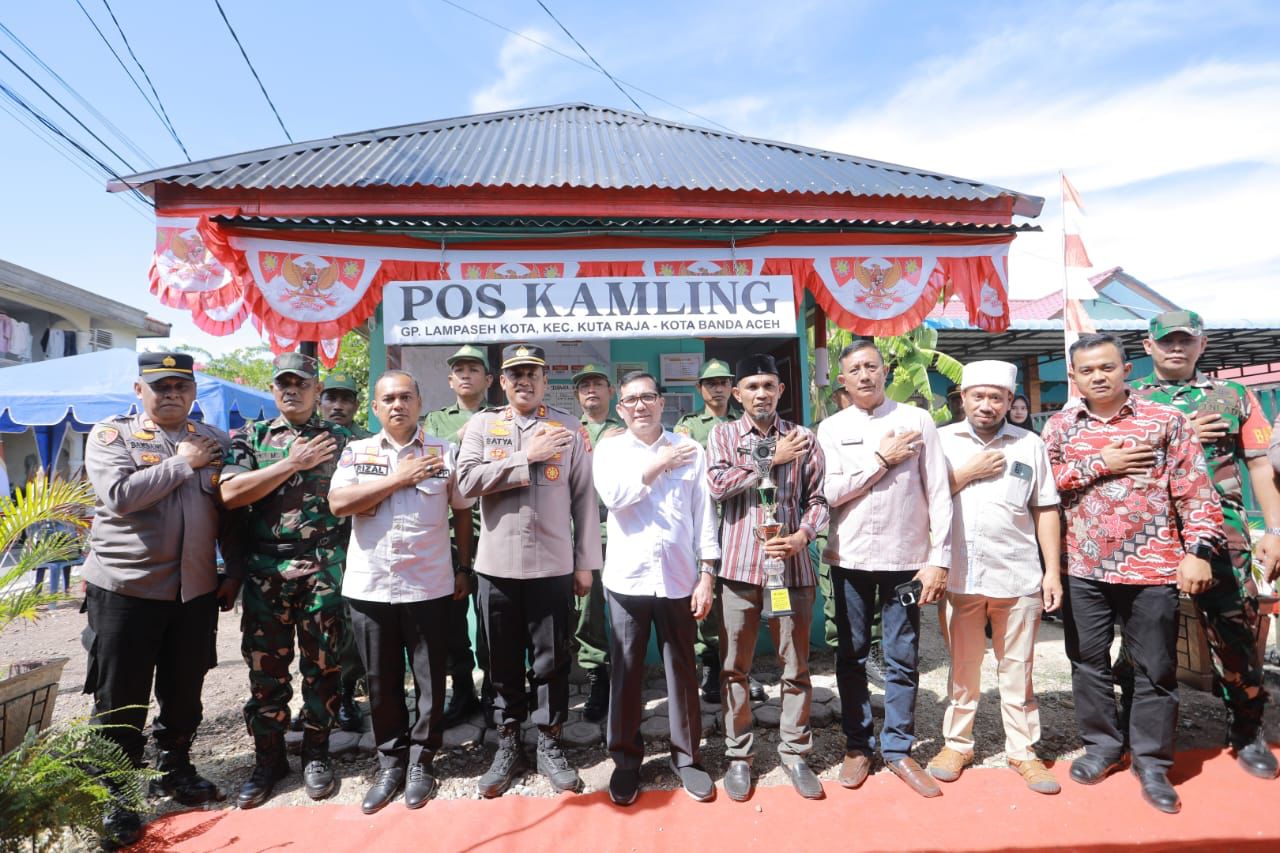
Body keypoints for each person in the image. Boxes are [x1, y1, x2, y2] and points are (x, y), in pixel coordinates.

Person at [1042, 333, 1226, 815]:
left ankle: (1152, 762)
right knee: (1088, 663)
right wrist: (1101, 463)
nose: (1098, 377)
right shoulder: (1060, 427)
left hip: (1154, 566)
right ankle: (1102, 747)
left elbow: (1195, 491)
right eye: (1087, 370)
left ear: (1127, 368)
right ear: (1074, 377)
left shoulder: (1166, 421)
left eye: (1107, 367)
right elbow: (1045, 486)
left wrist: (1198, 552)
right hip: (1082, 567)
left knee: (1155, 669)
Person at [80, 352, 241, 847]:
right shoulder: (113, 436)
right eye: (161, 386)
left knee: (185, 687)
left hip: (194, 590)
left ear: (193, 391)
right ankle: (117, 792)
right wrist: (181, 463)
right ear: (139, 391)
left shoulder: (215, 441)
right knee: (120, 697)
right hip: (126, 589)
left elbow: (231, 509)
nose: (172, 394)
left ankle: (175, 768)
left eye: (180, 386)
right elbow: (120, 496)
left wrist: (233, 570)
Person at [1131, 309, 1279, 778]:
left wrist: (1274, 531)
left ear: (1202, 344)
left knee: (1236, 627)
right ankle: (1141, 731)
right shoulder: (1131, 399)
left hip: (1222, 531)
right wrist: (1180, 434)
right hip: (1150, 532)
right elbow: (1120, 463)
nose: (1176, 347)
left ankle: (1247, 730)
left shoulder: (1232, 396)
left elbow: (1259, 464)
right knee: (1143, 634)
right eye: (1166, 340)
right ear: (1148, 346)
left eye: (1185, 340)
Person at [456, 344, 603, 798]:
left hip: (552, 566)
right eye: (515, 374)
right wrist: (525, 457)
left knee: (552, 661)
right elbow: (465, 484)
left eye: (532, 374)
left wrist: (585, 563)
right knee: (501, 661)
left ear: (544, 381)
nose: (524, 381)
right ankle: (507, 742)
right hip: (497, 568)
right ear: (502, 382)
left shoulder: (569, 427)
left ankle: (549, 741)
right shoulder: (482, 426)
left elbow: (585, 499)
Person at [329, 371, 474, 813]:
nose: (398, 405)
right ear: (375, 407)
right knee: (382, 680)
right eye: (388, 398)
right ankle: (390, 761)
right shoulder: (357, 452)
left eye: (406, 397)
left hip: (428, 584)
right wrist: (399, 478)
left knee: (430, 680)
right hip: (371, 586)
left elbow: (462, 512)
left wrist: (463, 567)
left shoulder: (443, 451)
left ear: (419, 403)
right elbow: (339, 504)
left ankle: (422, 761)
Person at [817, 340, 951, 799]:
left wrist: (938, 559)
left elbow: (938, 491)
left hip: (905, 560)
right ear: (842, 380)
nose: (865, 375)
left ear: (885, 370)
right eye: (855, 369)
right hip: (849, 557)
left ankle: (897, 748)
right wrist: (881, 461)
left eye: (871, 366)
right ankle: (858, 745)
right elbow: (830, 493)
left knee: (902, 655)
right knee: (851, 654)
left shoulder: (916, 421)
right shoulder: (831, 429)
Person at [219, 352, 351, 810]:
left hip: (324, 569)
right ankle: (269, 758)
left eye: (301, 383)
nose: (292, 390)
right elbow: (231, 494)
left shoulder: (343, 439)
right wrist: (291, 463)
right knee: (265, 672)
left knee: (324, 667)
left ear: (317, 390)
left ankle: (316, 752)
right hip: (266, 572)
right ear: (274, 389)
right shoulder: (250, 436)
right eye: (284, 383)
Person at [926, 361, 1063, 794]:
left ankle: (1023, 750)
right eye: (978, 396)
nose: (987, 405)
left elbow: (1045, 508)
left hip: (1018, 574)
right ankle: (957, 745)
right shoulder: (941, 441)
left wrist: (1052, 572)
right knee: (963, 667)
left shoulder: (1030, 444)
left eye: (996, 397)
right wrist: (967, 473)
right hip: (960, 577)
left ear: (1008, 401)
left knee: (1018, 669)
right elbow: (922, 500)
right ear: (963, 398)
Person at [593, 371, 718, 806]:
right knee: (626, 672)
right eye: (631, 400)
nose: (640, 406)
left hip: (679, 578)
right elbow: (615, 497)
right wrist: (660, 463)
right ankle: (626, 761)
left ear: (662, 402)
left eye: (648, 397)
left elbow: (704, 514)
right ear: (620, 408)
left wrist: (707, 574)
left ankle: (687, 757)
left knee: (682, 670)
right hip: (627, 581)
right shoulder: (609, 450)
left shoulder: (692, 450)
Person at [706, 354, 828, 801]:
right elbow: (717, 485)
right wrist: (770, 459)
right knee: (733, 668)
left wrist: (802, 537)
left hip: (791, 571)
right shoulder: (722, 436)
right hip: (739, 570)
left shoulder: (804, 438)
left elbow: (819, 500)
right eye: (752, 386)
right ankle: (739, 755)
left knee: (795, 667)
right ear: (737, 394)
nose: (761, 394)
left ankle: (795, 752)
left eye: (768, 386)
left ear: (780, 390)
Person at [674, 359, 764, 704]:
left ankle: (742, 666)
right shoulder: (688, 426)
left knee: (740, 596)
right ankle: (712, 665)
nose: (717, 388)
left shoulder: (745, 423)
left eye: (723, 382)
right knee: (708, 594)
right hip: (705, 520)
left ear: (733, 388)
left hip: (741, 520)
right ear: (700, 389)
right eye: (710, 383)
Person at [421, 344, 492, 729]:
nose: (466, 375)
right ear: (450, 381)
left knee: (494, 616)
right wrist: (464, 434)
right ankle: (462, 688)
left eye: (473, 369)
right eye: (459, 370)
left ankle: (495, 688)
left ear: (488, 379)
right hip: (449, 532)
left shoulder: (502, 416)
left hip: (495, 529)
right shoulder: (435, 420)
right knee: (451, 616)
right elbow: (429, 461)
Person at [314, 371, 371, 735]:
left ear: (356, 404)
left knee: (351, 625)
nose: (338, 405)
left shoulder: (369, 441)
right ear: (320, 401)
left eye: (346, 399)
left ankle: (348, 693)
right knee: (316, 626)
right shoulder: (308, 437)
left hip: (355, 546)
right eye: (331, 398)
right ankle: (318, 698)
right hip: (313, 548)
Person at [572, 363, 624, 723]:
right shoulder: (566, 431)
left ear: (611, 391)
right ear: (578, 395)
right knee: (587, 612)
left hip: (623, 532)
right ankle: (597, 677)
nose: (591, 389)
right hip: (582, 533)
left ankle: (626, 675)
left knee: (627, 608)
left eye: (597, 384)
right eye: (584, 385)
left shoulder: (628, 431)